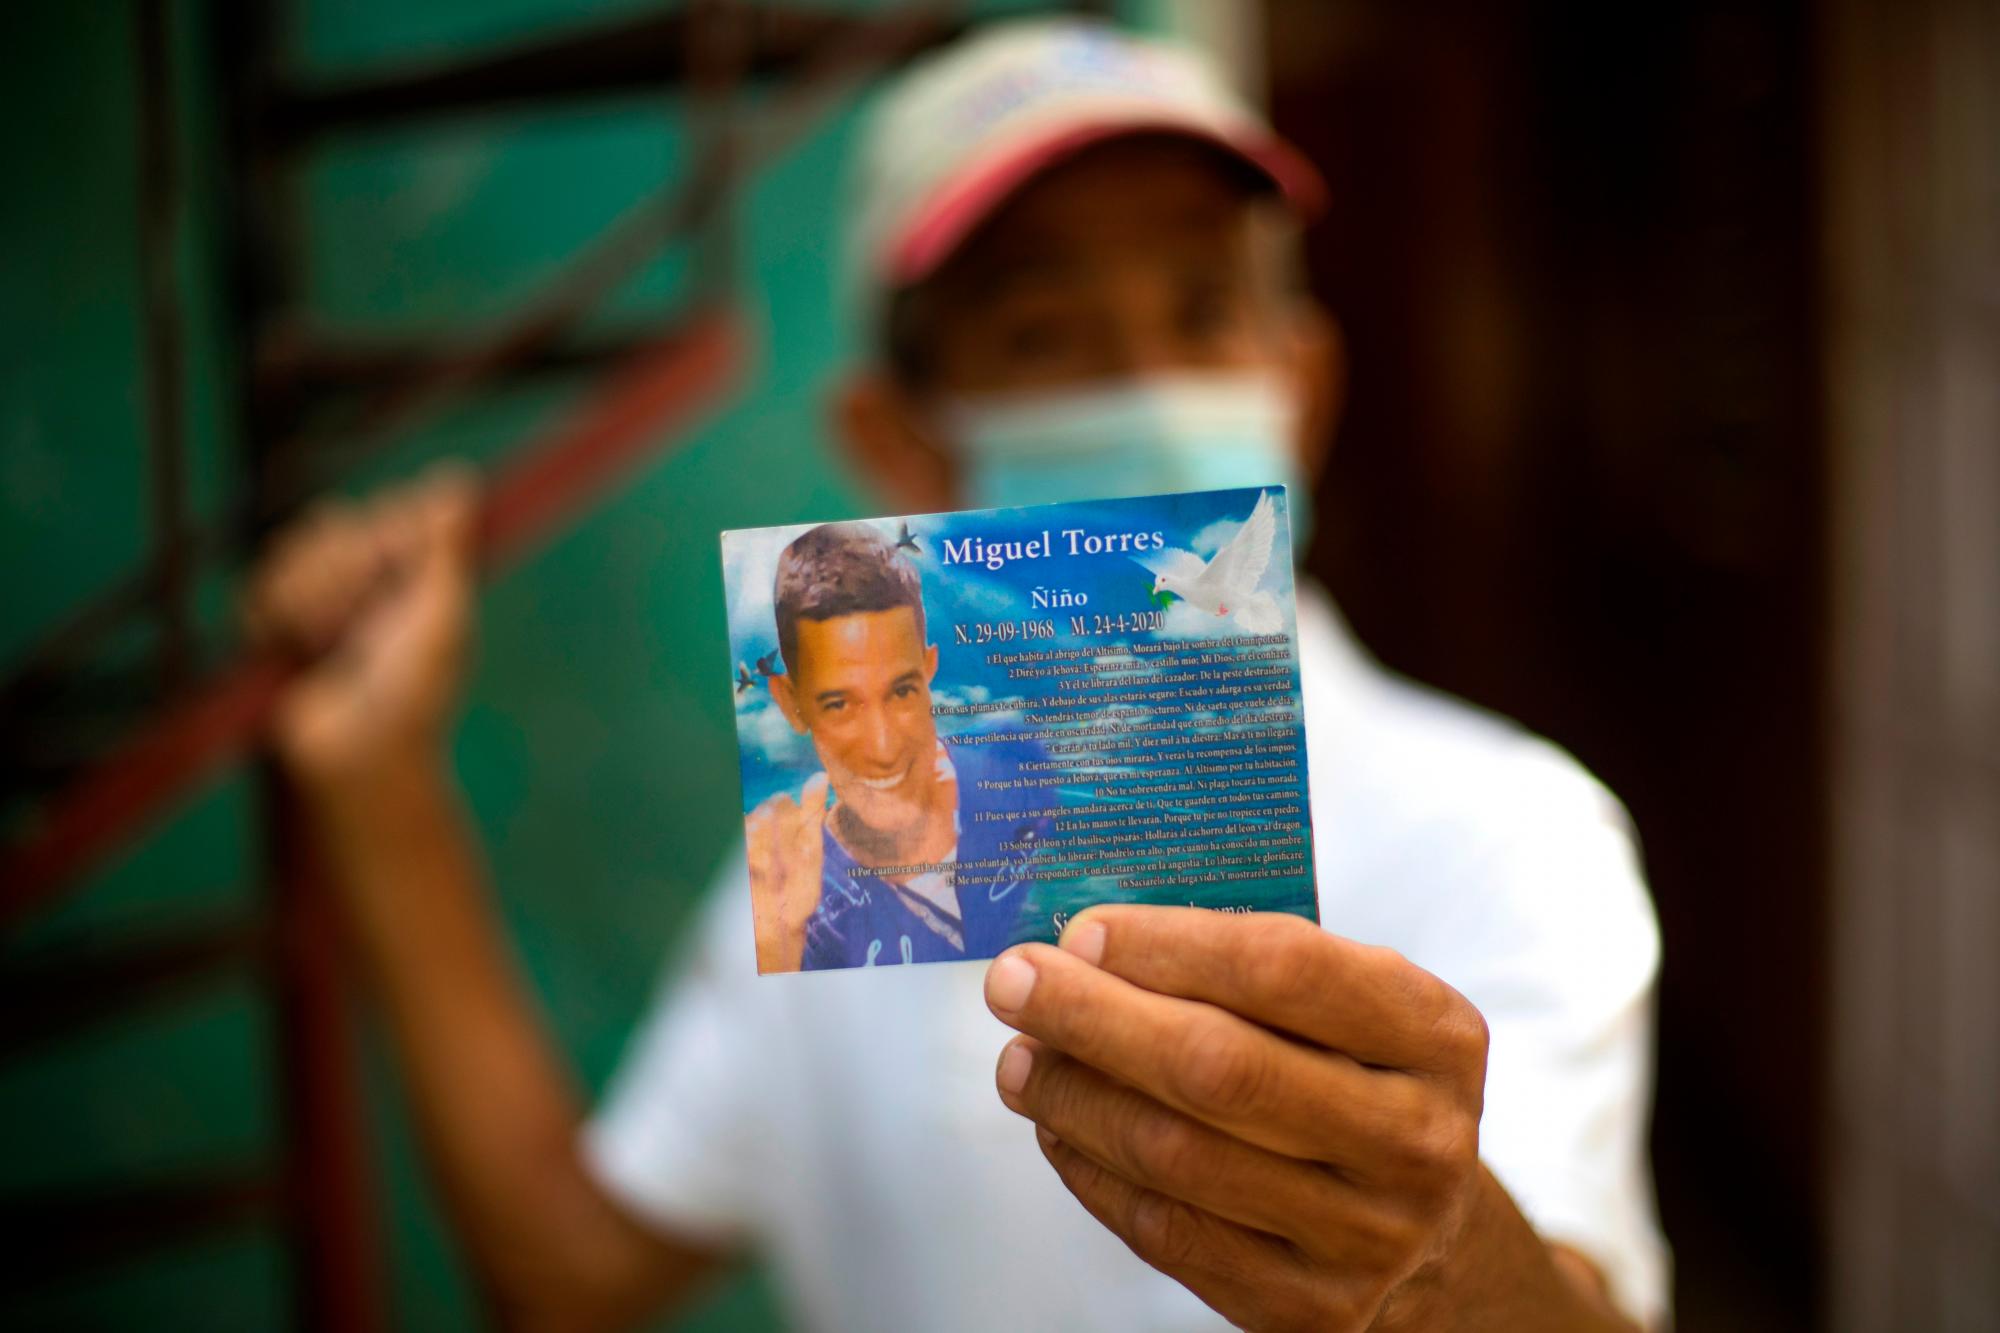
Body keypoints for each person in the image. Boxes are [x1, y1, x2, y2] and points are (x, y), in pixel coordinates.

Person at [247, 17, 1667, 1332]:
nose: (1151, 384)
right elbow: (568, 1266)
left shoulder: (1512, 833)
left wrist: (1443, 1262)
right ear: (900, 444)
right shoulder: (827, 874)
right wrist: (382, 791)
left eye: (1201, 309)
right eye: (1045, 336)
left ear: (1301, 382)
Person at [750, 522, 1047, 972]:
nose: (884, 748)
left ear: (929, 669)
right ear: (791, 704)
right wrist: (779, 949)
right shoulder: (803, 919)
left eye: (902, 692)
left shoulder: (1017, 767)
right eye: (839, 704)